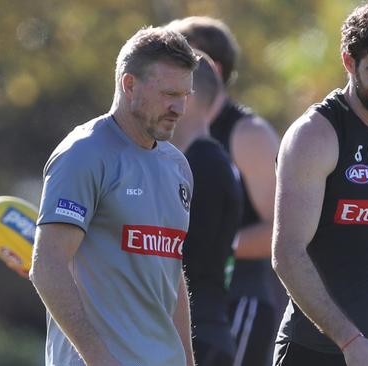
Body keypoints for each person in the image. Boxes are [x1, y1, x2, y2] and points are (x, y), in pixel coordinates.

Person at [271, 1, 368, 365]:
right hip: (320, 350)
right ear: (348, 61)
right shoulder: (314, 136)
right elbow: (287, 254)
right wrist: (350, 341)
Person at [29, 26, 198, 366]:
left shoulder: (177, 166)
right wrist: (99, 359)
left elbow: (169, 272)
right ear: (129, 84)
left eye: (185, 95)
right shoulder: (84, 154)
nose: (179, 108)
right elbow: (47, 266)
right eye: (168, 94)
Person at [167, 17, 281, 366]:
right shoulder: (167, 128)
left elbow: (283, 231)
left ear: (207, 66)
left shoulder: (248, 134)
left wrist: (210, 246)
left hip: (238, 304)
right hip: (182, 305)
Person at [170, 52, 243, 366]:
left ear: (190, 95)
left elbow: (180, 259)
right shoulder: (202, 161)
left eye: (171, 92)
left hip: (198, 337)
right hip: (200, 333)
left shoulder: (203, 166)